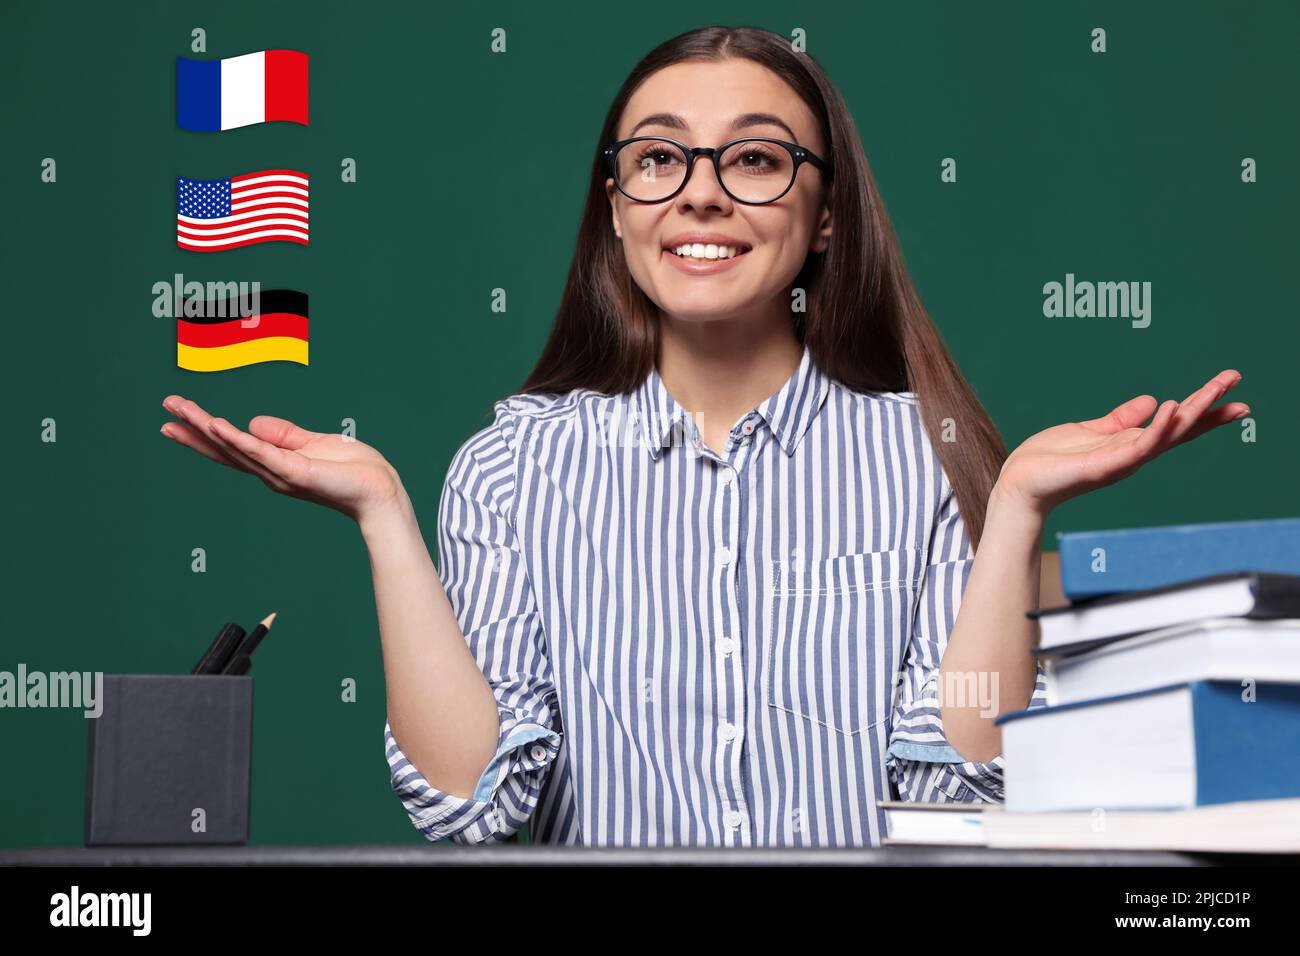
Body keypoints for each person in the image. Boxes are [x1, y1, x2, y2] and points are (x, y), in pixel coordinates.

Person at [160, 25, 1248, 846]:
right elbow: (474, 805)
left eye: (758, 160)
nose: (702, 196)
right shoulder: (509, 468)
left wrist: (1013, 508)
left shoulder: (927, 452)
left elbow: (960, 795)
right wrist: (383, 515)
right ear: (618, 204)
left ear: (825, 216)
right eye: (660, 159)